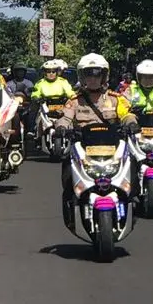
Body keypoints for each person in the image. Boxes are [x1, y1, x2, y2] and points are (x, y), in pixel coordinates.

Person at [54, 52, 138, 229]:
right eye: (88, 74)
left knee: (133, 161)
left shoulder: (115, 99)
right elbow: (65, 117)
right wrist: (61, 127)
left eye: (96, 74)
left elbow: (127, 114)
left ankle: (133, 200)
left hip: (112, 147)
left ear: (104, 76)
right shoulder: (75, 101)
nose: (93, 78)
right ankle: (70, 206)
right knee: (66, 166)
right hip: (84, 148)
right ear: (82, 77)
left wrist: (131, 123)